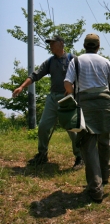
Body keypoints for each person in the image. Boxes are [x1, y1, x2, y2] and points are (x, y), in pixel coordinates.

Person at [64, 33, 110, 203]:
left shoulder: (75, 61)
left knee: (88, 146)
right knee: (104, 141)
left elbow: (68, 84)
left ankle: (96, 189)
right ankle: (105, 175)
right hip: (104, 103)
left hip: (85, 106)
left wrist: (72, 90)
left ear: (84, 46)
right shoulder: (105, 61)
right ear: (98, 47)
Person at [12, 35, 84, 169]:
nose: (50, 45)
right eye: (49, 43)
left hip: (68, 98)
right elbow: (35, 75)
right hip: (52, 98)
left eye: (52, 43)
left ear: (61, 43)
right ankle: (42, 154)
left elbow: (82, 78)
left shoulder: (72, 59)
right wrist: (21, 87)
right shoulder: (50, 61)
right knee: (43, 126)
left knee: (72, 128)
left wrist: (74, 91)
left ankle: (80, 157)